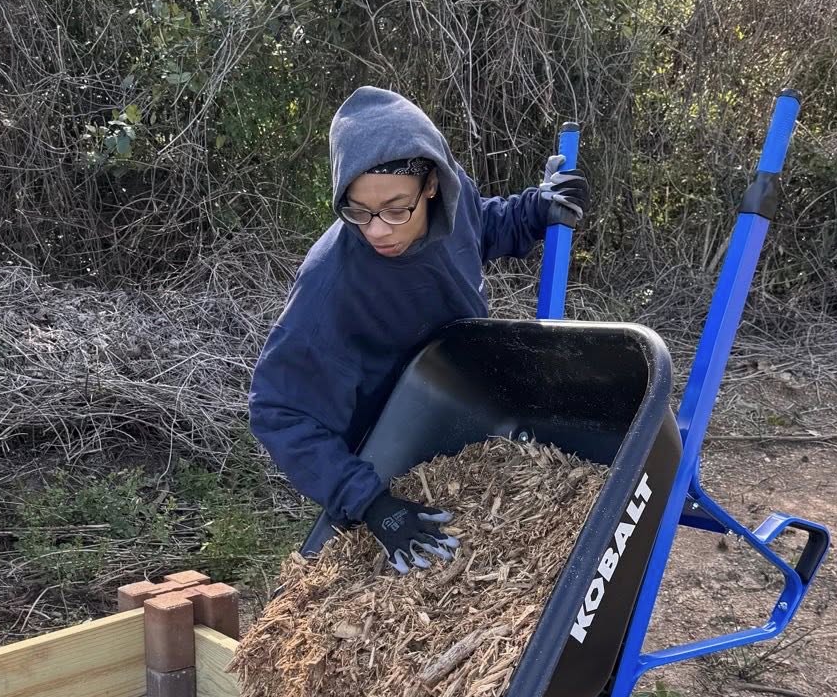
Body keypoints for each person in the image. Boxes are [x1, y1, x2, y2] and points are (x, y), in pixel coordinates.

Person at [249, 85, 590, 572]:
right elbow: (276, 409)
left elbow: (483, 227)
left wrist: (534, 209)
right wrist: (373, 504)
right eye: (358, 211)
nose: (377, 231)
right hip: (392, 448)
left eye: (395, 209)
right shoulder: (332, 284)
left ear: (432, 183)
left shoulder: (453, 201)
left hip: (467, 408)